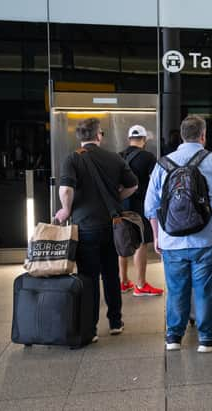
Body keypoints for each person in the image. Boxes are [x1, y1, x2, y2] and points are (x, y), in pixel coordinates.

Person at [144, 115, 212, 353]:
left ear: (181, 136)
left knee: (176, 288)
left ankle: (173, 337)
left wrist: (156, 237)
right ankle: (206, 338)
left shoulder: (163, 163)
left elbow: (150, 206)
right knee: (205, 288)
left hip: (172, 239)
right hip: (208, 238)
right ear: (203, 135)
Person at [55, 117, 138, 341]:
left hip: (85, 227)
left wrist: (65, 209)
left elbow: (65, 190)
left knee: (88, 277)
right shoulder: (114, 158)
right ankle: (115, 322)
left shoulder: (72, 158)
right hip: (111, 225)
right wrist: (115, 198)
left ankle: (90, 329)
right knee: (111, 274)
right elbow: (133, 184)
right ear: (98, 135)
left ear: (80, 136)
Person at [118, 125, 163, 297]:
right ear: (144, 140)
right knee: (141, 243)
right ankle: (141, 285)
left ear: (129, 139)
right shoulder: (148, 157)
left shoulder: (119, 156)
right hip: (139, 206)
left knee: (121, 242)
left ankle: (123, 282)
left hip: (120, 205)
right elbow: (156, 182)